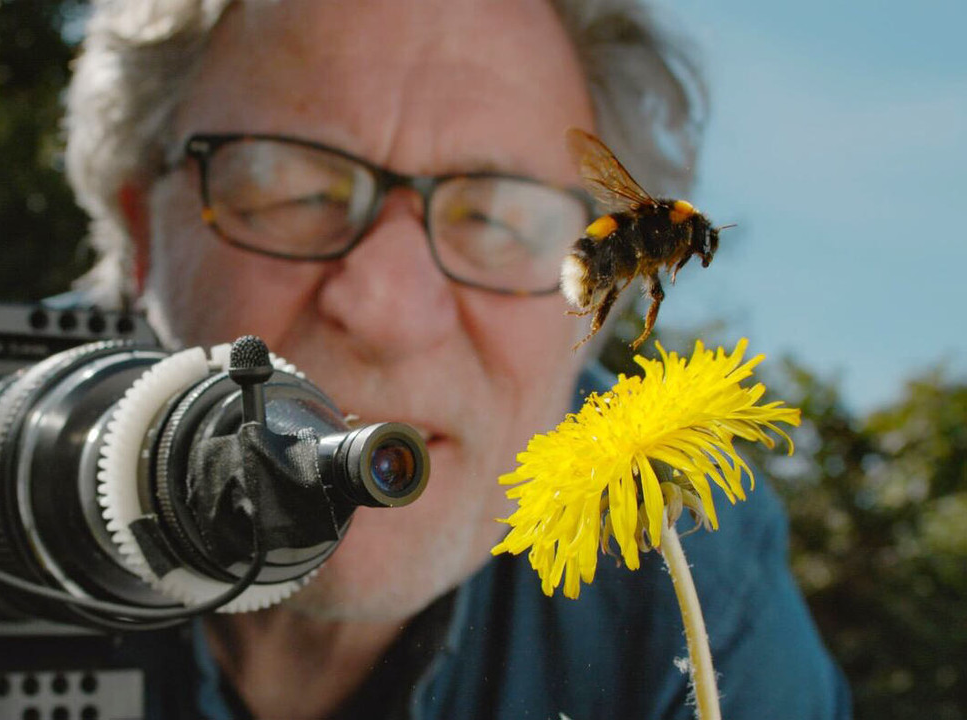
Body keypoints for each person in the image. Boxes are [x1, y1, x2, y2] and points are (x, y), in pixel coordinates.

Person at [62, 0, 851, 719]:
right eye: (292, 189)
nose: (388, 313)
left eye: (498, 218)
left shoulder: (694, 584)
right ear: (142, 235)